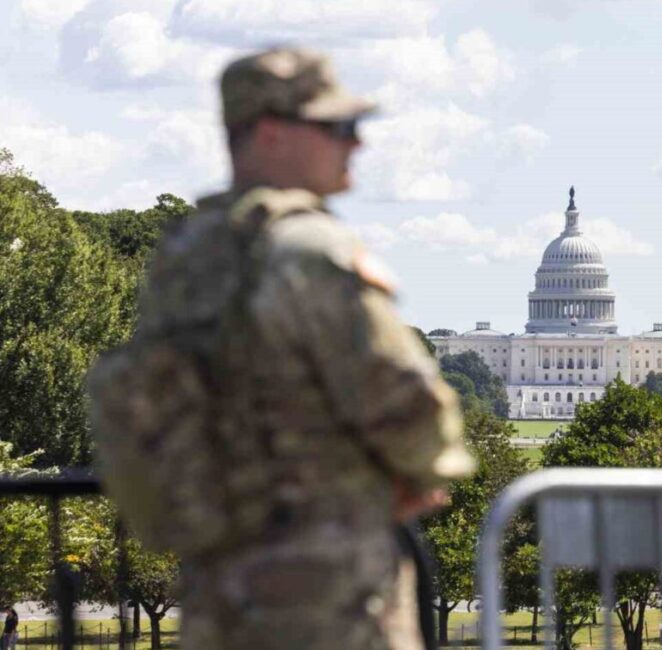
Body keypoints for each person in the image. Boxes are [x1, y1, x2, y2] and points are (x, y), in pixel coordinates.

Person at [115, 47, 474, 649]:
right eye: (337, 127)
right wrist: (425, 473)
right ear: (274, 133)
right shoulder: (308, 250)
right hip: (325, 587)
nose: (355, 144)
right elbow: (411, 402)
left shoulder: (188, 254)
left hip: (217, 580)